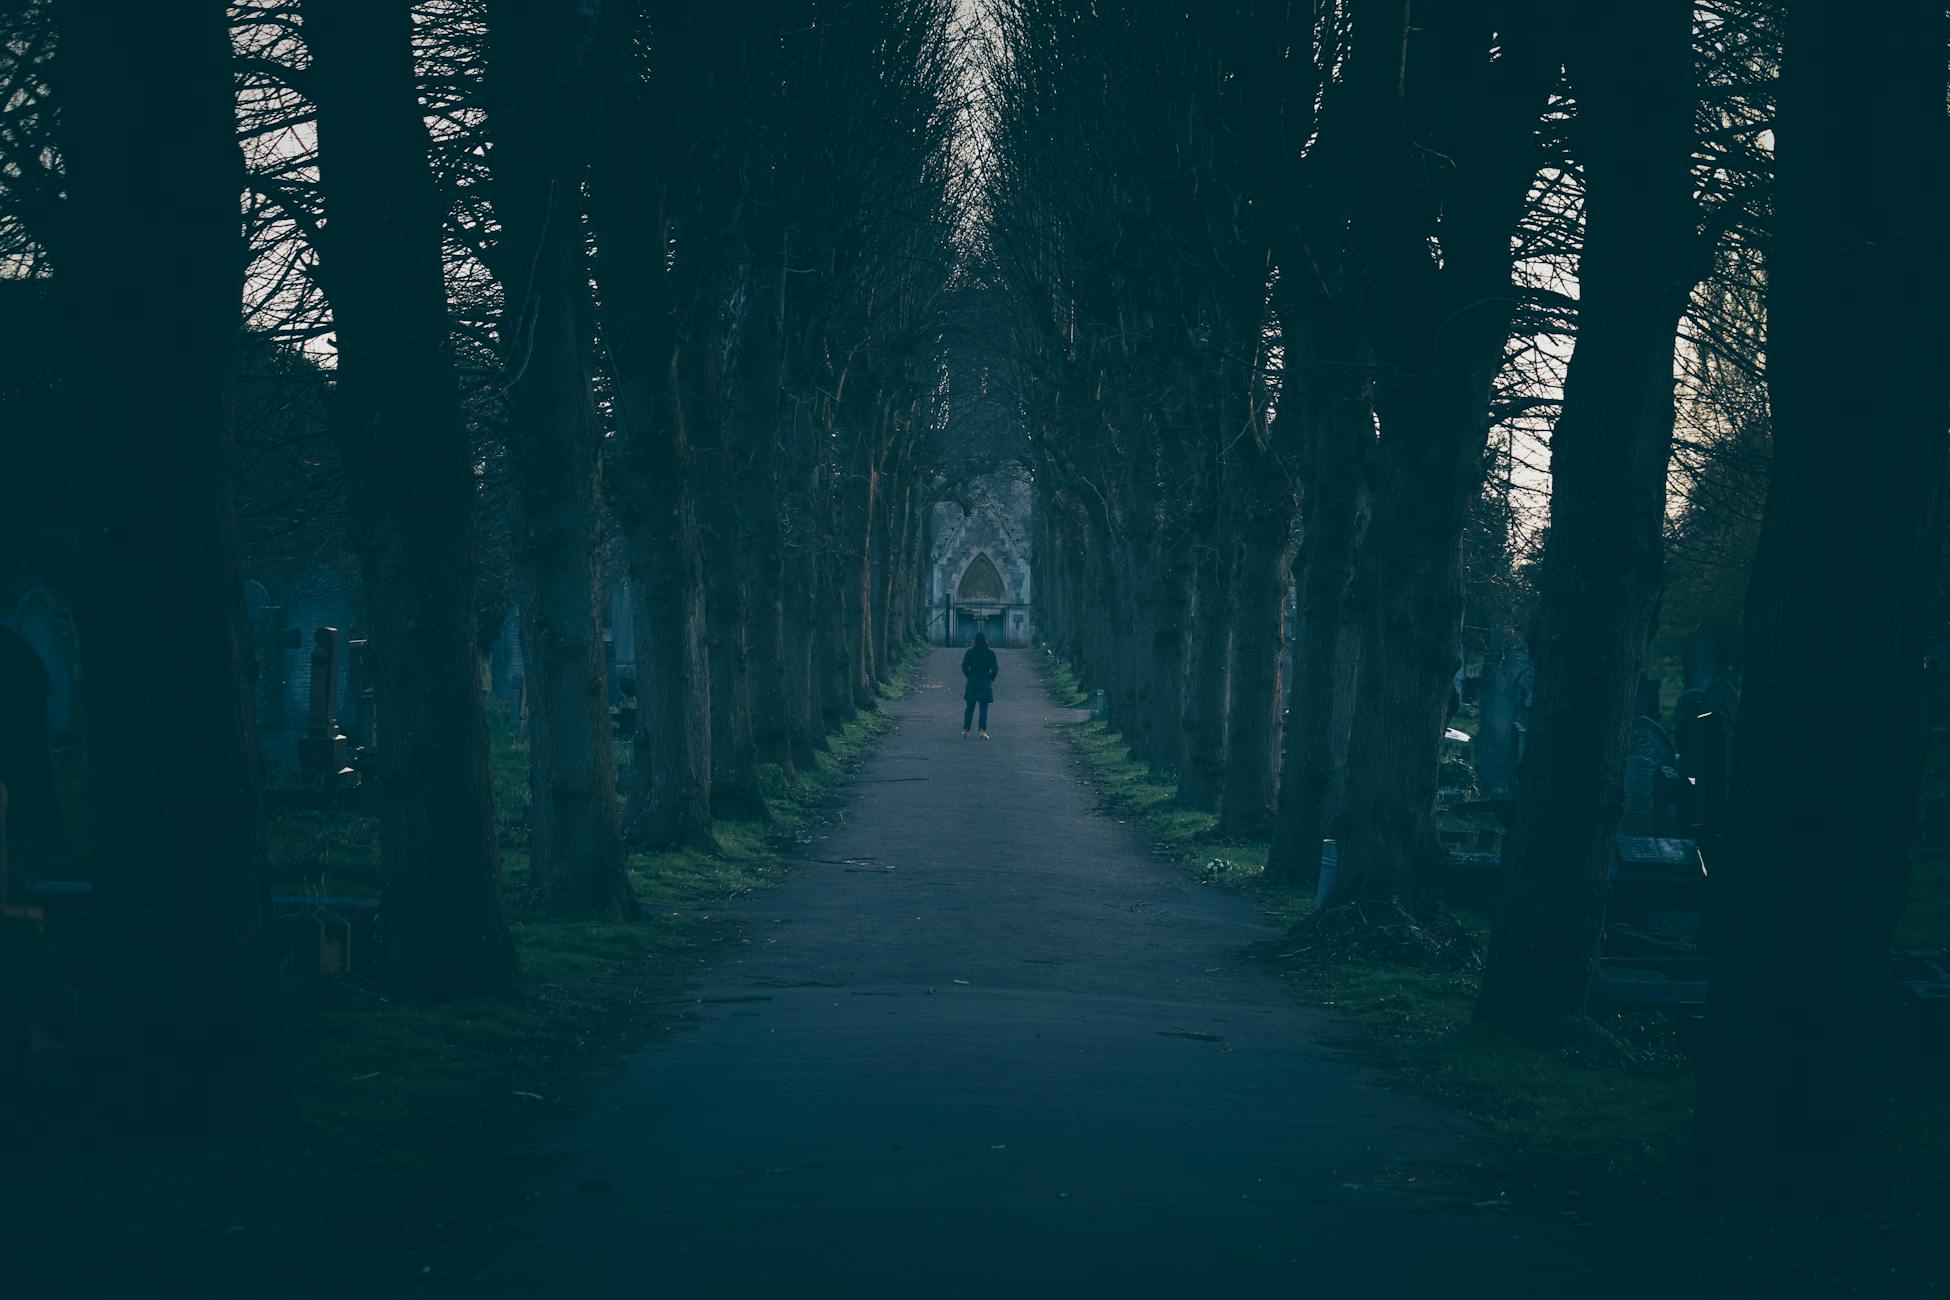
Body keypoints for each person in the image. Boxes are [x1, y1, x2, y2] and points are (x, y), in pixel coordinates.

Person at [961, 632, 998, 739]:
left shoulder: (970, 652)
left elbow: (964, 666)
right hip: (985, 682)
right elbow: (995, 668)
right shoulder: (990, 653)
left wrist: (969, 676)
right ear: (986, 640)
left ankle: (966, 729)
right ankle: (982, 730)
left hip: (972, 681)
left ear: (975, 641)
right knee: (983, 708)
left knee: (969, 708)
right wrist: (990, 678)